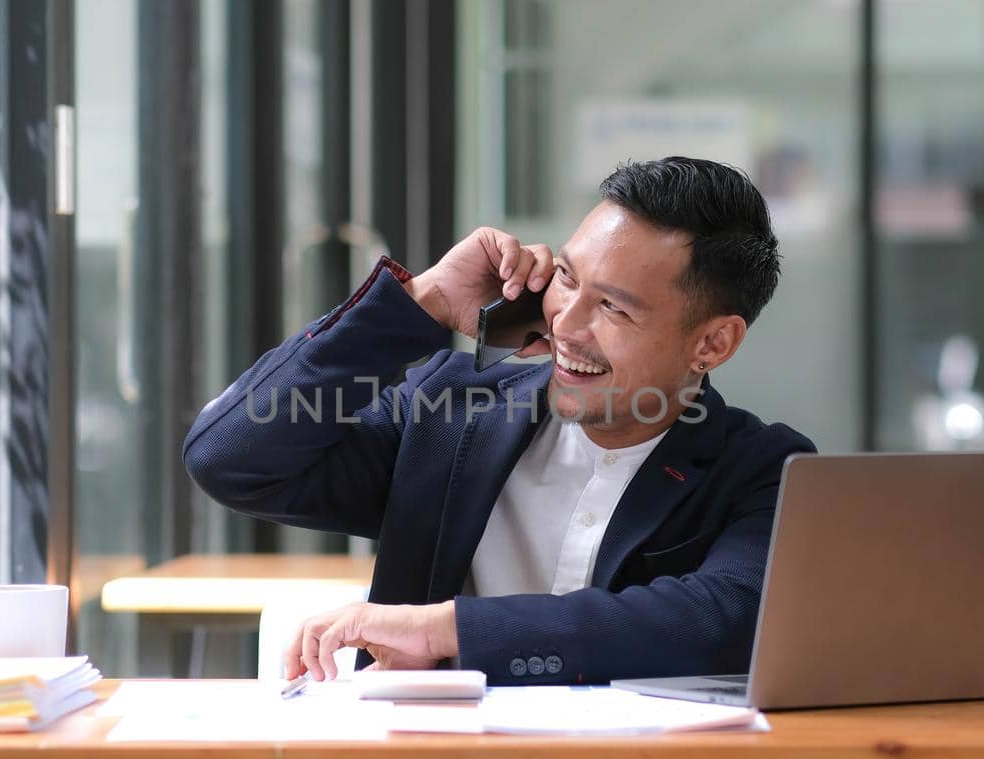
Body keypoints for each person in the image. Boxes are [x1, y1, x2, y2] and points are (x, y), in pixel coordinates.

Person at [183, 156, 815, 686]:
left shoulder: (766, 473)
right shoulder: (451, 413)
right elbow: (233, 459)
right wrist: (421, 304)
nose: (565, 324)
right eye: (566, 277)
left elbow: (715, 623)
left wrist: (440, 629)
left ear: (712, 344)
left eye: (613, 309)